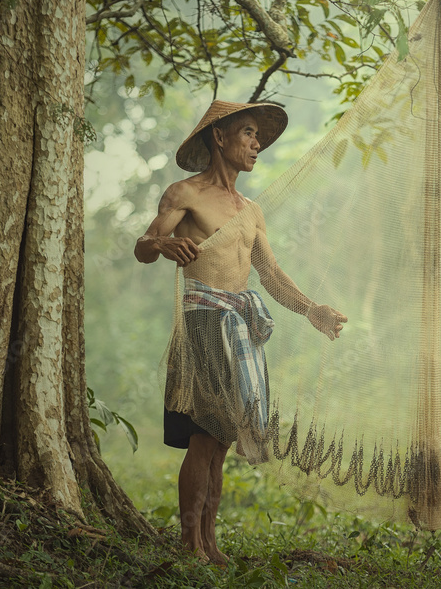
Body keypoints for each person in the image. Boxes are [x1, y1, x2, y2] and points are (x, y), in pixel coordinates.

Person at [134, 100, 347, 563]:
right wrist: (163, 243)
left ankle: (209, 543)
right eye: (248, 134)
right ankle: (190, 545)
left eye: (258, 137)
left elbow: (269, 275)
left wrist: (313, 310)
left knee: (224, 440)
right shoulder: (184, 194)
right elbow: (144, 246)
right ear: (219, 137)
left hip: (241, 327)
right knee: (203, 437)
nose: (256, 145)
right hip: (204, 323)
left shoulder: (251, 210)